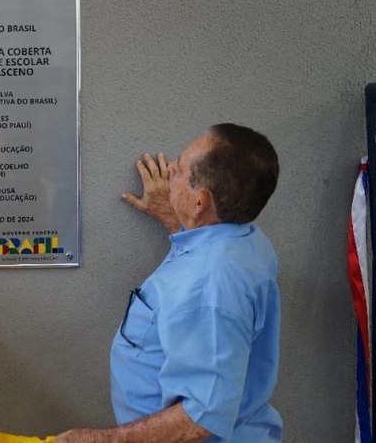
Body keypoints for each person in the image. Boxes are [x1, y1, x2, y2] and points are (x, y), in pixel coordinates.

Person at [56, 123, 282, 443]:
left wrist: (96, 440)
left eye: (179, 167)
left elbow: (201, 418)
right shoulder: (244, 239)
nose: (170, 167)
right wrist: (176, 215)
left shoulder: (212, 286)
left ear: (201, 201)